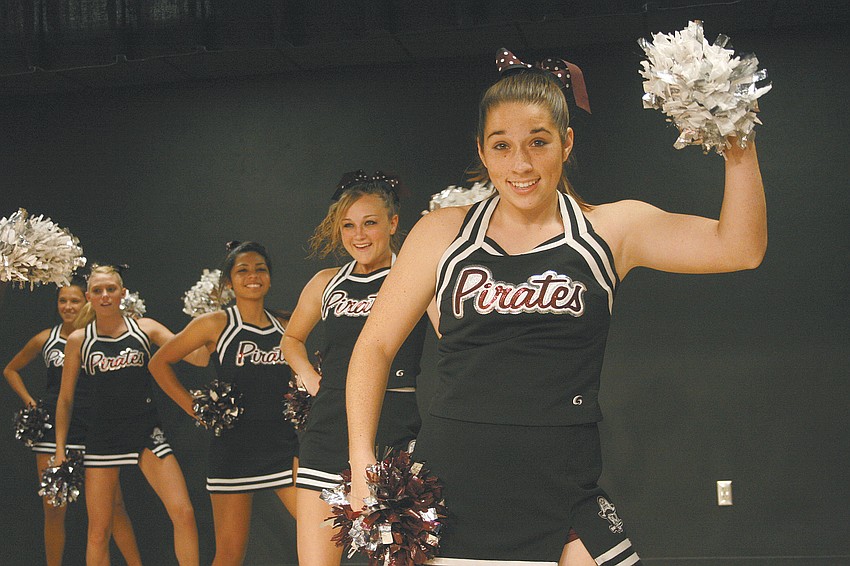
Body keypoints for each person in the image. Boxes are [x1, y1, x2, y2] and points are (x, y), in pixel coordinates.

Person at [346, 55, 767, 565]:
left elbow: (740, 248)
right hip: (454, 486)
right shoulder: (442, 233)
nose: (520, 164)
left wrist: (736, 136)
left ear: (566, 143)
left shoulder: (611, 231)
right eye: (502, 145)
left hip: (563, 486)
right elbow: (375, 345)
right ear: (482, 151)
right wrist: (362, 459)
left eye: (538, 142)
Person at [282, 171, 429, 565]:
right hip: (327, 430)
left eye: (370, 223)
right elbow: (291, 339)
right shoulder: (325, 282)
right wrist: (311, 378)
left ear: (393, 223)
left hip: (394, 429)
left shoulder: (414, 279)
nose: (358, 235)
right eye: (348, 225)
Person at [149, 241, 299, 566]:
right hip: (235, 451)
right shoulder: (216, 324)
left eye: (260, 268)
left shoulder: (285, 326)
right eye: (242, 270)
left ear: (270, 277)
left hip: (283, 448)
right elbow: (159, 363)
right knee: (230, 554)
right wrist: (194, 407)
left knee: (323, 527)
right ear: (229, 282)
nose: (253, 276)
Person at [54, 265, 205, 566]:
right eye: (98, 291)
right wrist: (60, 449)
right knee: (99, 531)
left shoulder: (146, 328)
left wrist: (208, 326)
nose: (105, 295)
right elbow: (66, 398)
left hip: (146, 431)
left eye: (111, 289)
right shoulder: (79, 340)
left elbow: (197, 358)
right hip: (102, 438)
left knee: (184, 513)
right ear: (89, 297)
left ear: (123, 293)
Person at [3, 279, 143, 566]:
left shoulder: (99, 336)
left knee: (115, 508)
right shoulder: (46, 338)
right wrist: (31, 402)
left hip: (95, 429)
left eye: (74, 301)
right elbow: (11, 370)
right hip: (54, 432)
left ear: (88, 301)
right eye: (62, 301)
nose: (67, 307)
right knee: (54, 509)